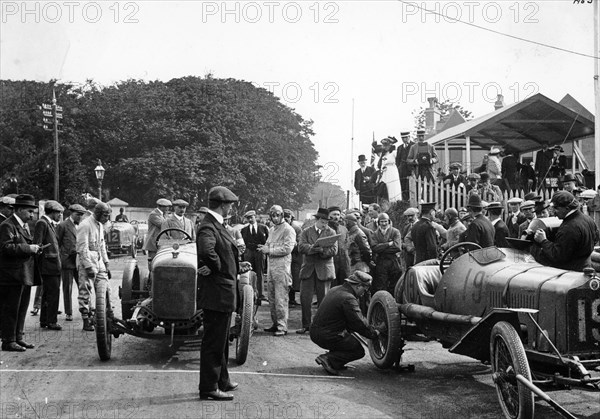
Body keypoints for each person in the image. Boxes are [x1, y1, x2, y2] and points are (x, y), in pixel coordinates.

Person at [196, 186, 252, 401]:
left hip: (222, 291)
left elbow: (221, 252)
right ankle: (208, 387)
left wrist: (236, 265)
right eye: (229, 205)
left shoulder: (216, 225)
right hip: (217, 292)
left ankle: (223, 380)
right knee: (213, 341)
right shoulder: (208, 226)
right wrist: (221, 268)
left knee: (221, 339)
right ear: (222, 205)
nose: (230, 208)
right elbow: (206, 252)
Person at [310, 271, 380, 375]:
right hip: (327, 335)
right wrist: (374, 333)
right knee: (357, 350)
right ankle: (329, 359)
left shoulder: (335, 289)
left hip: (316, 331)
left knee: (348, 339)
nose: (363, 293)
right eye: (364, 289)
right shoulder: (348, 298)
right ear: (358, 286)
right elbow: (359, 323)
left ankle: (335, 361)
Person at [0, 194, 41, 351]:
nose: (32, 215)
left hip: (23, 274)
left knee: (22, 307)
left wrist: (34, 250)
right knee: (11, 308)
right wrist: (29, 248)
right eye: (30, 211)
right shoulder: (7, 226)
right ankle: (8, 341)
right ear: (20, 209)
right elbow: (6, 248)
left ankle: (18, 337)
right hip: (11, 276)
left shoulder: (23, 225)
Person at [531, 191, 599, 271]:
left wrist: (543, 241)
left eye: (556, 208)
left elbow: (557, 256)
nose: (553, 212)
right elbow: (596, 238)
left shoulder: (568, 228)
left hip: (569, 273)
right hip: (585, 266)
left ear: (567, 208)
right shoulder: (588, 219)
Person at [296, 208, 338, 335]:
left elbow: (334, 251)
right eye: (323, 221)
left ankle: (321, 326)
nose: (325, 224)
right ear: (317, 220)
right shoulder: (306, 232)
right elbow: (301, 247)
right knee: (305, 299)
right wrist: (313, 248)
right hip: (308, 269)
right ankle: (306, 325)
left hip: (324, 270)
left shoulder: (331, 232)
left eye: (326, 222)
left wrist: (322, 251)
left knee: (323, 300)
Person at [259, 205, 296, 336]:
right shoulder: (272, 229)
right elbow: (268, 243)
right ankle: (275, 323)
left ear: (282, 215)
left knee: (281, 299)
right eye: (272, 215)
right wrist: (263, 247)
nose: (274, 217)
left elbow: (287, 249)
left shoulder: (288, 230)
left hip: (282, 269)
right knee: (272, 299)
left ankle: (282, 327)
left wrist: (269, 250)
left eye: (277, 215)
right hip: (271, 268)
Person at [76, 202, 111, 332]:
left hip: (99, 261)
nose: (107, 218)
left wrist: (106, 263)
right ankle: (86, 319)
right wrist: (88, 266)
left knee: (105, 288)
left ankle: (103, 315)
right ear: (97, 213)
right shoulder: (85, 225)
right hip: (88, 261)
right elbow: (81, 247)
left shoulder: (100, 225)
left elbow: (102, 246)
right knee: (85, 290)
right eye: (105, 215)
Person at [34, 200, 65, 330]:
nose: (60, 215)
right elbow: (37, 245)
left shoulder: (48, 223)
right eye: (58, 213)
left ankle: (45, 320)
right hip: (48, 266)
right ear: (51, 212)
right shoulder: (42, 223)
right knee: (52, 294)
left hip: (51, 265)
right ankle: (51, 321)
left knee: (48, 294)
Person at [56, 204, 86, 322]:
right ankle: (69, 312)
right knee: (67, 288)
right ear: (71, 213)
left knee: (83, 286)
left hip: (79, 261)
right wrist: (60, 258)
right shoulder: (62, 225)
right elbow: (56, 244)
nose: (80, 217)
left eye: (81, 215)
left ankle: (86, 309)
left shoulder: (82, 226)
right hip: (67, 261)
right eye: (77, 214)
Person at [370, 213, 402, 294]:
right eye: (381, 222)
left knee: (395, 284)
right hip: (381, 262)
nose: (384, 224)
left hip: (394, 261)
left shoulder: (395, 231)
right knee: (381, 285)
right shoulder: (375, 234)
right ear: (378, 223)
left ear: (389, 221)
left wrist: (381, 248)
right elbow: (374, 248)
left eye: (385, 221)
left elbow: (397, 247)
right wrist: (388, 244)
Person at [240, 210, 269, 301]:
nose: (250, 219)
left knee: (260, 271)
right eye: (248, 218)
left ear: (255, 217)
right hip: (249, 252)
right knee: (249, 271)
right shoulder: (244, 230)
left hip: (259, 251)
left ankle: (261, 294)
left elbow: (268, 240)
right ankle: (250, 293)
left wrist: (264, 247)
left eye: (251, 217)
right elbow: (242, 242)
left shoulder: (263, 228)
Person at [143, 198, 171, 265]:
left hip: (161, 242)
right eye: (167, 207)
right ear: (161, 206)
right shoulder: (154, 214)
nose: (168, 209)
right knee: (153, 263)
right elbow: (163, 225)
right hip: (153, 243)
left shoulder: (163, 214)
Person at [328, 206, 351, 287]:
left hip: (343, 263)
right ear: (328, 215)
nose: (336, 217)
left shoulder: (344, 229)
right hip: (331, 262)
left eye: (338, 214)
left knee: (343, 287)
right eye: (334, 214)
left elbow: (347, 245)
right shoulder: (326, 229)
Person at [283, 209, 302, 306]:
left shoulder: (297, 228)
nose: (286, 219)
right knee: (284, 278)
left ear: (291, 218)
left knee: (293, 278)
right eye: (284, 217)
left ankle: (292, 299)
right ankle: (285, 299)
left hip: (294, 257)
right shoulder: (278, 228)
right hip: (283, 257)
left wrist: (292, 245)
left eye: (288, 217)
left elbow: (300, 242)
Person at [378, 137, 402, 202]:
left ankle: (394, 202)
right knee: (385, 187)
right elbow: (381, 164)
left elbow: (399, 160)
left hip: (392, 171)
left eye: (386, 145)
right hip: (385, 172)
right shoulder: (383, 154)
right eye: (383, 145)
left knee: (392, 187)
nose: (384, 147)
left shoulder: (394, 153)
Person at [395, 132, 413, 201]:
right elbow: (397, 160)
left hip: (411, 171)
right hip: (402, 172)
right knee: (402, 188)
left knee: (410, 188)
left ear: (409, 137)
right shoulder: (399, 148)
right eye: (402, 138)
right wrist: (399, 168)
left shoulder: (414, 145)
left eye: (406, 137)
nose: (404, 139)